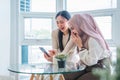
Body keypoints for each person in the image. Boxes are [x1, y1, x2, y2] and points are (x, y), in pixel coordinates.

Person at [63, 14, 111, 80]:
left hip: (100, 69)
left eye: (73, 28)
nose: (72, 31)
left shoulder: (93, 39)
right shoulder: (79, 35)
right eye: (71, 29)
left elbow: (91, 61)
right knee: (67, 76)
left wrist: (80, 47)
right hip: (87, 66)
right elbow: (66, 51)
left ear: (81, 26)